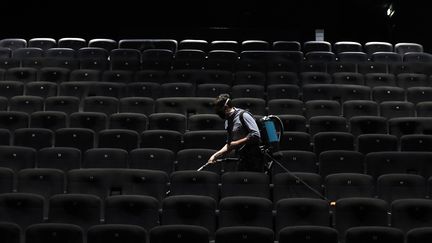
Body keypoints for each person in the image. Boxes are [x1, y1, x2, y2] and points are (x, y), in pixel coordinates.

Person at [208, 93, 265, 172]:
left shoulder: (243, 115)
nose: (218, 113)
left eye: (219, 110)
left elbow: (255, 134)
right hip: (242, 157)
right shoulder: (227, 121)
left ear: (226, 107)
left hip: (254, 157)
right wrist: (215, 155)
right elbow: (230, 145)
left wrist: (237, 143)